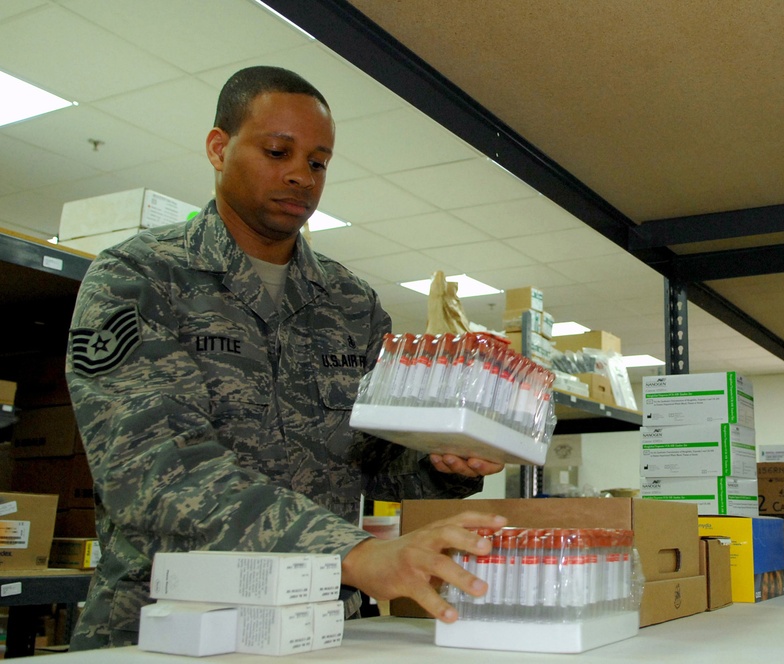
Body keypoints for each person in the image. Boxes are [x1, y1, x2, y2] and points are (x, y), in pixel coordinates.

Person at [65, 65, 506, 650]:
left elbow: (372, 459)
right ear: (219, 148)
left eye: (318, 162)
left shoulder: (350, 303)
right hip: (164, 625)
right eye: (278, 151)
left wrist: (440, 462)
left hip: (317, 625)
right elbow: (156, 470)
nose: (300, 175)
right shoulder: (137, 277)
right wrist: (354, 553)